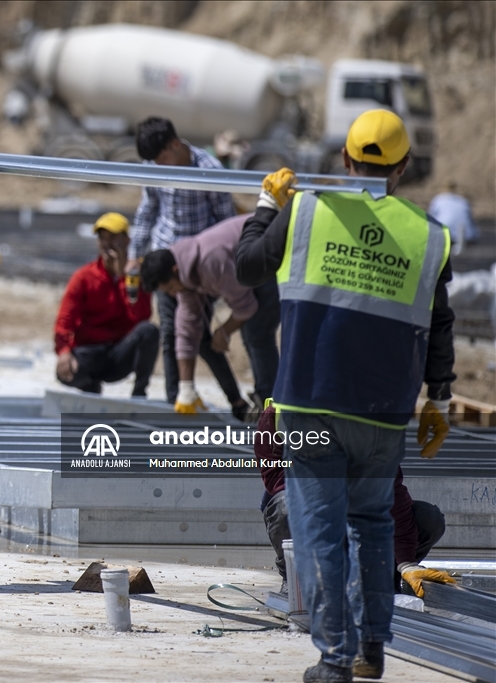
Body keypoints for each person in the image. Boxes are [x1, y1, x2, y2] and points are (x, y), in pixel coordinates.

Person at [235, 109, 456, 683]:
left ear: (345, 159)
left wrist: (266, 206)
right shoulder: (429, 236)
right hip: (383, 413)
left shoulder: (307, 211)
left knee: (319, 533)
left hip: (311, 402)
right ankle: (371, 646)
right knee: (373, 525)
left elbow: (247, 265)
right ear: (404, 168)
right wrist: (440, 397)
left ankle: (335, 658)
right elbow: (441, 323)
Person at [255, 404, 450, 597]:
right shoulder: (278, 414)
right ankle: (297, 577)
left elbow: (392, 494)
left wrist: (407, 562)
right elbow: (275, 476)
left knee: (428, 519)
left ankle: (383, 577)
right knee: (287, 504)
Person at [126, 117, 242, 411]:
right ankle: (175, 400)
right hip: (164, 264)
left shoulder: (209, 170)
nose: (160, 165)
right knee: (170, 333)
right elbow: (147, 211)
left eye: (163, 157)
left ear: (176, 145)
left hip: (197, 268)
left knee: (199, 335)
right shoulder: (155, 169)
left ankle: (235, 400)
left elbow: (224, 220)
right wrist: (134, 256)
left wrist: (214, 266)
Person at [140, 214, 279, 420]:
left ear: (175, 271)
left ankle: (270, 404)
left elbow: (246, 307)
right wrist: (186, 388)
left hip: (276, 254)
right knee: (248, 332)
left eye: (170, 288)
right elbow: (187, 331)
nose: (171, 294)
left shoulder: (210, 262)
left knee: (256, 332)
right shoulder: (185, 280)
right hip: (256, 263)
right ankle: (262, 398)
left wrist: (223, 331)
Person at [55, 212, 159, 397]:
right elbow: (65, 319)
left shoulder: (136, 276)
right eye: (102, 238)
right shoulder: (84, 277)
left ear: (127, 241)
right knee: (66, 372)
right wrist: (63, 352)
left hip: (120, 352)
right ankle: (89, 386)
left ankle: (139, 393)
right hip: (90, 351)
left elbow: (141, 317)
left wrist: (123, 278)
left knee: (149, 331)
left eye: (113, 238)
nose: (107, 243)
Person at [428, 181, 478, 256]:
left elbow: (430, 217)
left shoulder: (438, 199)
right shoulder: (463, 200)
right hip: (464, 234)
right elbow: (470, 219)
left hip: (444, 233)